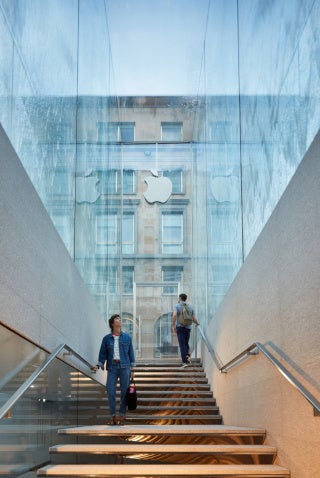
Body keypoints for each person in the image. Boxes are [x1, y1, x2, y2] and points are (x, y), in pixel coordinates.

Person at [92, 314, 135, 425]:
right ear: (112, 323)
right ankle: (112, 416)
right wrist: (98, 365)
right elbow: (102, 354)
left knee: (124, 392)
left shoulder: (127, 338)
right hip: (112, 367)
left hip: (125, 367)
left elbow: (131, 354)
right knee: (110, 392)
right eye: (117, 319)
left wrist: (133, 369)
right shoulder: (106, 339)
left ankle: (121, 416)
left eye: (120, 319)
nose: (119, 320)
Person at [172, 293, 199, 368]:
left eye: (178, 298)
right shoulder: (190, 307)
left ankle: (184, 361)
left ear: (180, 298)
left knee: (182, 344)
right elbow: (193, 318)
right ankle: (187, 356)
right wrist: (197, 323)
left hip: (180, 327)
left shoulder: (177, 306)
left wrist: (173, 325)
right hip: (188, 328)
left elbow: (174, 315)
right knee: (186, 343)